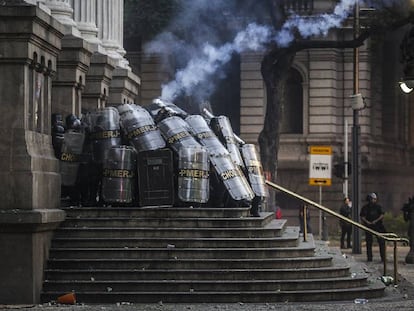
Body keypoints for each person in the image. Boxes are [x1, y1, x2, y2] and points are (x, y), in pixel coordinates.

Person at [360, 192, 386, 262]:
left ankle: (383, 257)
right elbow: (362, 216)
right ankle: (369, 257)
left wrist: (376, 221)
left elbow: (382, 214)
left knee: (381, 242)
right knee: (369, 242)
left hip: (378, 226)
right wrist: (367, 222)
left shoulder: (378, 207)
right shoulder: (365, 207)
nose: (374, 200)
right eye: (372, 199)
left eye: (375, 199)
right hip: (369, 226)